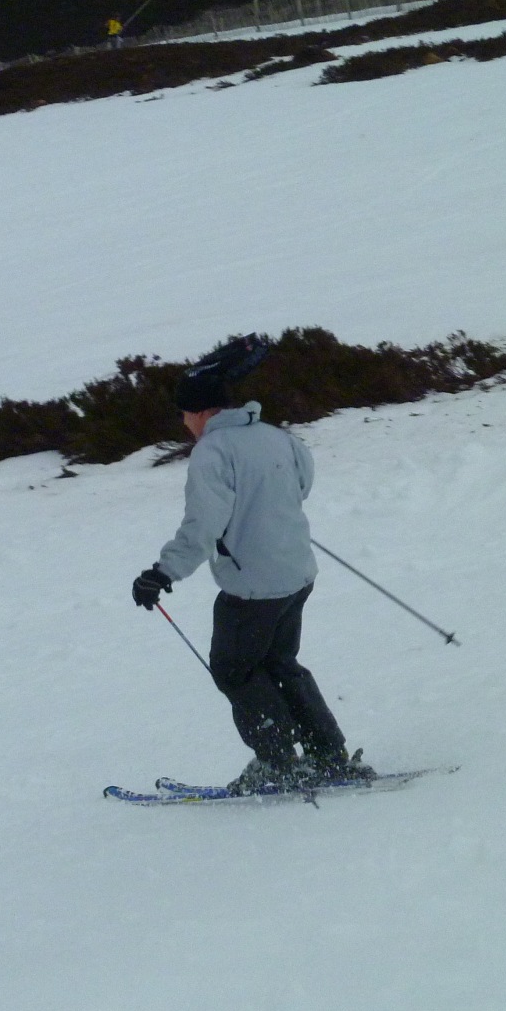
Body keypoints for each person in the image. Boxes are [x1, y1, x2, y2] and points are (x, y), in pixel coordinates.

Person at [130, 336, 371, 795]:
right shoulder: (279, 437)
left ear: (202, 411)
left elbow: (203, 526)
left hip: (253, 588)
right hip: (296, 575)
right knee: (280, 662)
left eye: (185, 413)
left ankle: (278, 764)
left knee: (234, 670)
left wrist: (161, 573)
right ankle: (328, 755)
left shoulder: (213, 452)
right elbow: (301, 486)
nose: (184, 423)